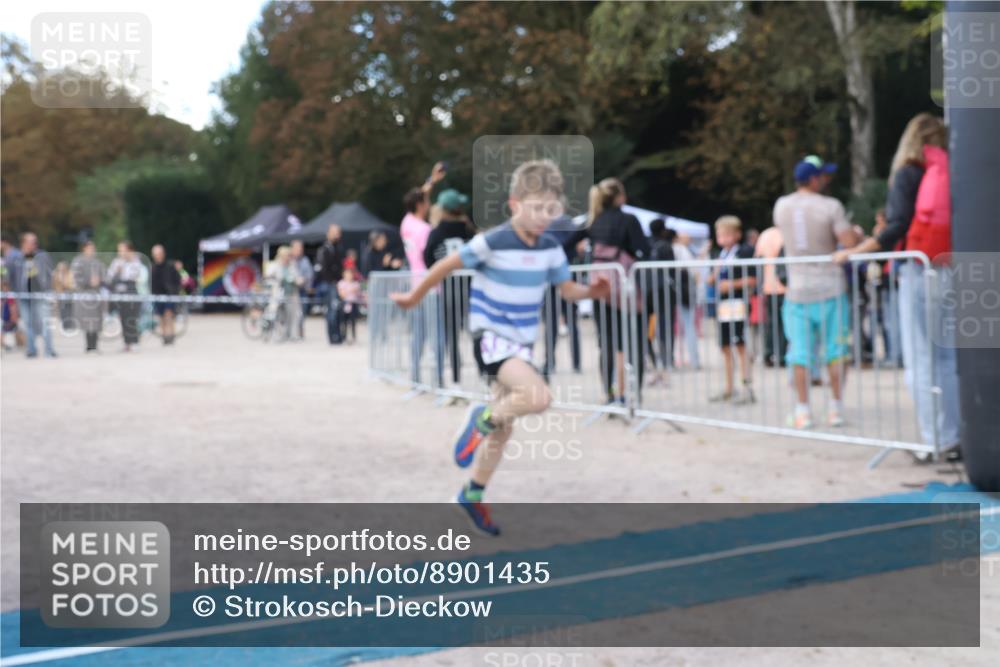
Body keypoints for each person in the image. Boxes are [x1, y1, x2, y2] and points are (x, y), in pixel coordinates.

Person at [390, 159, 609, 535]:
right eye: (535, 207)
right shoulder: (492, 241)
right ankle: (481, 417)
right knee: (538, 397)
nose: (543, 216)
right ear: (514, 204)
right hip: (490, 338)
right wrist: (414, 296)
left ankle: (472, 493)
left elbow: (567, 289)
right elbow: (445, 266)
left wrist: (593, 291)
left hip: (521, 344)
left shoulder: (552, 250)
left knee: (504, 429)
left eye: (550, 209)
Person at [834, 113, 959, 461]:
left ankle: (934, 440)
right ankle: (954, 435)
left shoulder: (909, 173)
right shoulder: (956, 171)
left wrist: (855, 252)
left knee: (921, 359)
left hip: (920, 270)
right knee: (948, 359)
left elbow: (897, 225)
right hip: (952, 269)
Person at [775, 159, 861, 428]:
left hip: (797, 288)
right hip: (830, 286)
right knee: (836, 350)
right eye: (822, 176)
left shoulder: (782, 205)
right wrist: (855, 235)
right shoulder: (830, 205)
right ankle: (835, 408)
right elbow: (848, 242)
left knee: (798, 352)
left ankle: (803, 410)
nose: (826, 180)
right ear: (813, 179)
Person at [573, 177, 650, 404]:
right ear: (619, 197)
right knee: (634, 341)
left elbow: (567, 242)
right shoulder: (628, 219)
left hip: (600, 287)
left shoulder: (592, 221)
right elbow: (643, 249)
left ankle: (609, 394)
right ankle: (633, 394)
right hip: (625, 288)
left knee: (606, 342)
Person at [424, 189, 476, 387]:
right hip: (471, 289)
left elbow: (428, 259)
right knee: (478, 335)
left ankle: (456, 382)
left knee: (452, 337)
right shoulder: (468, 230)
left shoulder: (436, 232)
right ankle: (485, 378)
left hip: (448, 289)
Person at [706, 216, 756, 404]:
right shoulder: (720, 255)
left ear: (737, 234)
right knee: (725, 346)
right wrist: (713, 277)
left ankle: (747, 387)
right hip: (723, 306)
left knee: (741, 346)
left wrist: (731, 285)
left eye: (727, 234)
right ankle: (729, 387)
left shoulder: (744, 252)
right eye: (720, 235)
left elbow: (752, 279)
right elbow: (712, 279)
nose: (723, 238)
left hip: (738, 304)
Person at [400, 180, 445, 386]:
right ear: (420, 205)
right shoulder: (425, 230)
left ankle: (415, 378)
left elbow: (417, 197)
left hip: (415, 284)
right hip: (430, 286)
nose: (428, 204)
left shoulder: (406, 224)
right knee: (436, 334)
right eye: (426, 201)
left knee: (418, 333)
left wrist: (431, 182)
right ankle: (438, 379)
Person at [5, 233, 57, 358]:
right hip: (23, 295)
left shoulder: (42, 256)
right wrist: (11, 292)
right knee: (27, 323)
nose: (34, 244)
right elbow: (8, 276)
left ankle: (49, 350)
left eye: (35, 242)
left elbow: (51, 273)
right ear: (23, 243)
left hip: (40, 294)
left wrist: (50, 289)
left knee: (45, 322)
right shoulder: (15, 258)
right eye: (31, 242)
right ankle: (31, 349)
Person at [646, 219, 677, 381]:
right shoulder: (665, 246)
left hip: (647, 290)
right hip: (664, 290)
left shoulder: (646, 244)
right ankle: (667, 359)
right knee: (666, 325)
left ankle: (652, 359)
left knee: (646, 327)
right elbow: (672, 270)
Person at [754, 225, 788, 367]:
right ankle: (780, 355)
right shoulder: (786, 233)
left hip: (768, 286)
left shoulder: (765, 234)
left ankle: (768, 353)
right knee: (783, 323)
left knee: (771, 323)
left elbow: (758, 259)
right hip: (784, 286)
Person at [107, 241, 144, 352]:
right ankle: (127, 342)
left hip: (131, 293)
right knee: (123, 318)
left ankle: (134, 341)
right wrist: (117, 273)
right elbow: (109, 276)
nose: (120, 252)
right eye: (119, 250)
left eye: (122, 249)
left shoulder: (136, 261)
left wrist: (123, 270)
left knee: (132, 318)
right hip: (119, 294)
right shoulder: (116, 262)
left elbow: (134, 276)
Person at [671, 231, 700, 369]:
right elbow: (694, 271)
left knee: (679, 328)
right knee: (689, 326)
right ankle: (694, 360)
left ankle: (679, 359)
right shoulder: (682, 250)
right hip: (685, 293)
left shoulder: (673, 249)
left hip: (674, 293)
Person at [70, 240, 105, 352]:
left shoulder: (98, 262)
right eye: (90, 248)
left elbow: (104, 276)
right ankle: (89, 345)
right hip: (84, 295)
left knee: (96, 321)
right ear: (84, 249)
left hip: (96, 294)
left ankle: (95, 345)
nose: (92, 250)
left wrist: (100, 281)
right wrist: (88, 282)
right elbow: (76, 278)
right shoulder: (78, 261)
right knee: (87, 321)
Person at [265, 246, 304, 340]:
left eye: (289, 255)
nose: (288, 257)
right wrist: (276, 280)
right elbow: (267, 277)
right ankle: (274, 333)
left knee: (293, 314)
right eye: (287, 255)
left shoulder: (292, 265)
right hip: (278, 293)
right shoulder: (274, 265)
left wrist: (298, 280)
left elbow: (298, 277)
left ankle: (292, 334)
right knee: (274, 312)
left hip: (291, 293)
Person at [315, 224, 345, 344]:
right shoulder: (325, 249)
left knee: (338, 310)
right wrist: (332, 281)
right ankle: (333, 337)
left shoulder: (339, 247)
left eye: (338, 232)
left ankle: (338, 335)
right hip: (329, 284)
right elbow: (323, 268)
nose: (337, 235)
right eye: (334, 232)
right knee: (331, 311)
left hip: (338, 284)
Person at [150, 244, 181, 345]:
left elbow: (177, 280)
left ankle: (170, 336)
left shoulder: (170, 266)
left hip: (169, 295)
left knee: (169, 314)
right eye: (155, 254)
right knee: (161, 316)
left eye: (159, 253)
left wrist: (175, 292)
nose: (157, 256)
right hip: (157, 296)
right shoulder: (152, 268)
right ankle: (164, 336)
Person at [290, 240, 314, 338]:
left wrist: (306, 283)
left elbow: (310, 274)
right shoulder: (289, 259)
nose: (299, 250)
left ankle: (300, 329)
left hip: (302, 289)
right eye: (297, 248)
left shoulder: (305, 260)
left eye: (300, 248)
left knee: (303, 311)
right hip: (291, 290)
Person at [337, 267, 364, 342]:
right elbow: (342, 294)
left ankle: (353, 337)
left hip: (353, 304)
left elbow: (359, 294)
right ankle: (344, 337)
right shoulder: (341, 283)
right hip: (345, 303)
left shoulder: (356, 283)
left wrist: (348, 290)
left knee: (353, 322)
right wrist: (351, 290)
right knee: (344, 321)